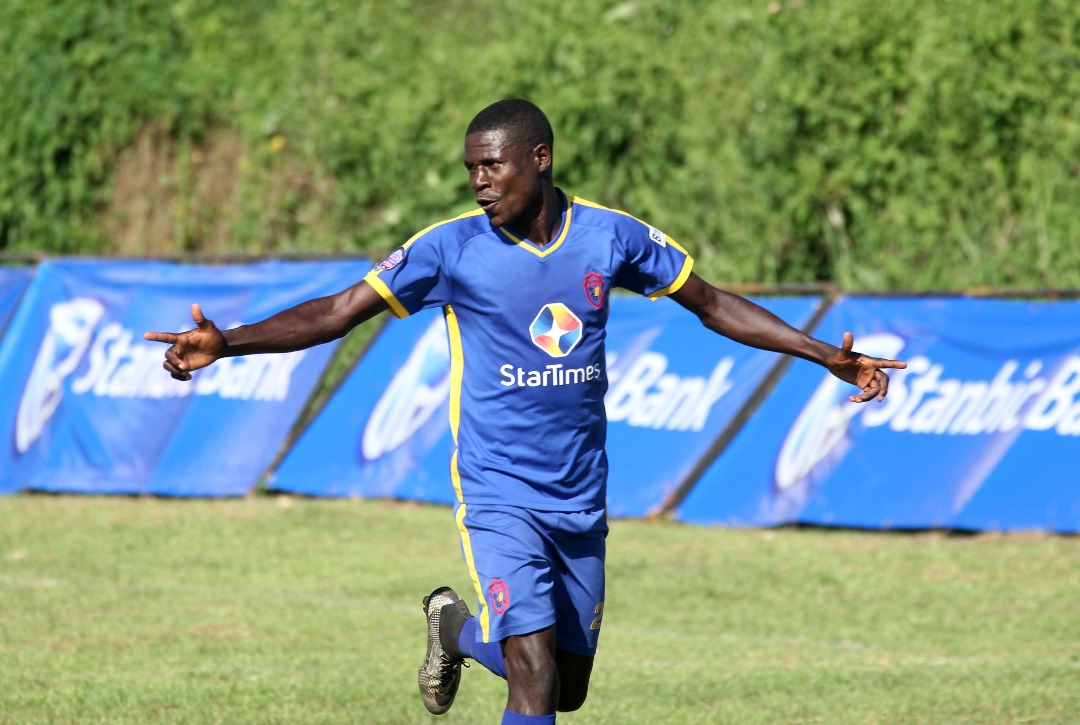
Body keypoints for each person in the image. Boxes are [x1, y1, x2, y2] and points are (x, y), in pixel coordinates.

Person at [144, 99, 906, 724]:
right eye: (470, 168)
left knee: (565, 689)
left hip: (579, 494)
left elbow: (710, 304)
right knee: (533, 675)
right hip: (498, 491)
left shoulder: (612, 236)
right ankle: (492, 639)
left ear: (539, 158)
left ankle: (455, 629)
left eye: (491, 164)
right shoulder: (449, 249)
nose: (478, 181)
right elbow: (340, 311)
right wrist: (230, 341)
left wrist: (822, 353)